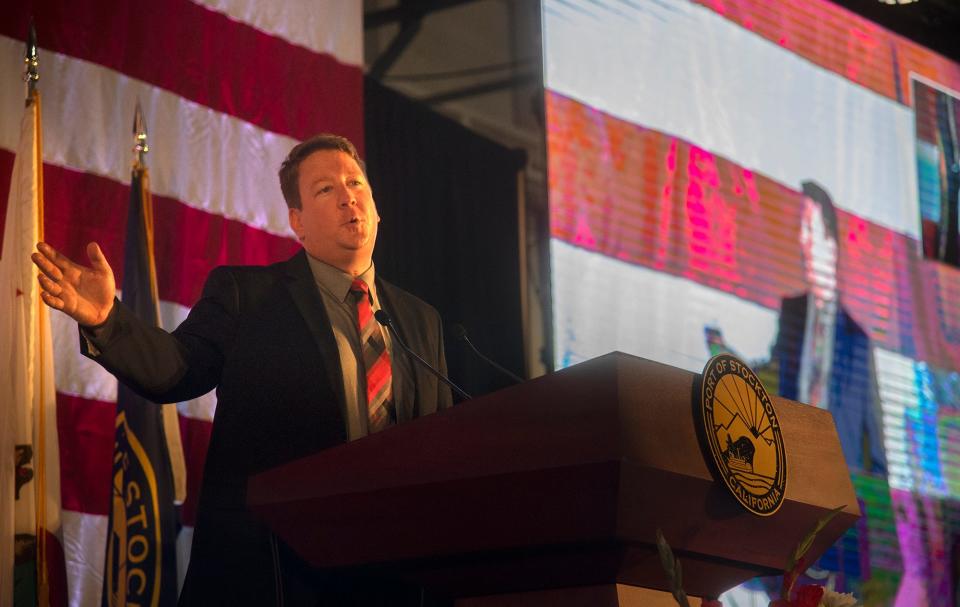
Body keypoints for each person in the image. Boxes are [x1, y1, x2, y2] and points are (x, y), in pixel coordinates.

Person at [32, 134, 453, 605]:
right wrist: (109, 321)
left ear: (376, 208)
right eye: (324, 190)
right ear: (297, 222)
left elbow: (438, 447)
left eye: (355, 183)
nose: (348, 196)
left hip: (392, 581)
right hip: (277, 578)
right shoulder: (247, 297)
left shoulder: (421, 321)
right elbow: (178, 369)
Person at [775, 180, 886, 476]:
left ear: (831, 245)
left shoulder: (858, 341)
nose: (802, 240)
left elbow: (873, 436)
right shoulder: (791, 313)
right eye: (801, 229)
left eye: (810, 230)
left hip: (836, 485)